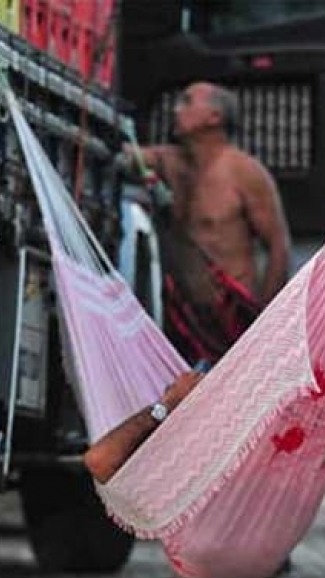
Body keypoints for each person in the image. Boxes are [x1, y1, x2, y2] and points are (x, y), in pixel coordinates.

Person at [130, 81, 292, 365]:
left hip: (232, 325)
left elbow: (279, 246)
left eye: (187, 102)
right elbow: (127, 154)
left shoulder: (244, 172)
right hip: (182, 323)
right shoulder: (170, 162)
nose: (176, 110)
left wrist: (262, 322)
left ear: (213, 118)